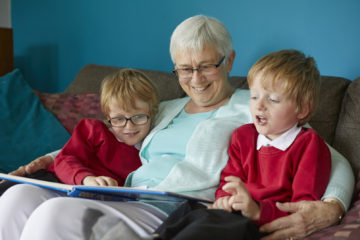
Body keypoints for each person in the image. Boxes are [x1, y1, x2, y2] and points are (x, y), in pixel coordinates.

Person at [2, 15, 353, 240]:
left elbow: (331, 157)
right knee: (17, 196)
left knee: (55, 212)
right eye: (184, 69)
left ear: (229, 60)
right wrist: (48, 159)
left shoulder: (253, 108)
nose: (195, 79)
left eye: (205, 66)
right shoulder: (162, 109)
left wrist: (331, 206)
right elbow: (116, 135)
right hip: (124, 195)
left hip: (172, 208)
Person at [153, 49, 332, 240]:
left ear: (302, 109)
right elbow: (229, 180)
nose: (259, 106)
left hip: (262, 223)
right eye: (254, 97)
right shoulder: (243, 136)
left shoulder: (309, 144)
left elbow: (303, 208)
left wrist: (256, 211)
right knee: (190, 209)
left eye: (272, 99)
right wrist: (224, 199)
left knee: (215, 227)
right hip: (232, 213)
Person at [0, 68, 159, 239]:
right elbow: (65, 159)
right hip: (61, 183)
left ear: (153, 112)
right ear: (108, 115)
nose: (129, 127)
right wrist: (86, 179)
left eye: (138, 117)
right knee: (16, 196)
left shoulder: (154, 147)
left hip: (98, 202)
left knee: (54, 212)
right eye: (119, 119)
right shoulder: (94, 130)